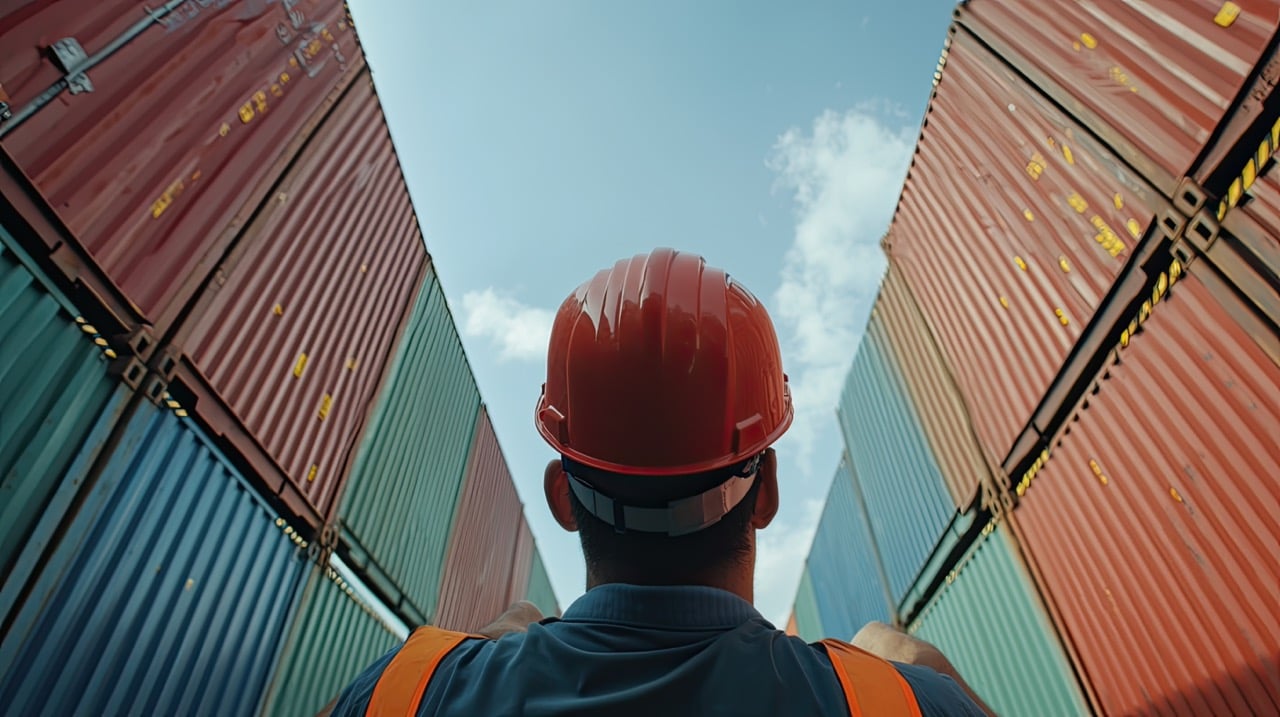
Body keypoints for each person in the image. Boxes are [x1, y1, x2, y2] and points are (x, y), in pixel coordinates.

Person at [328, 248, 992, 716]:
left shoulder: (405, 693)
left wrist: (478, 652)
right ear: (765, 494)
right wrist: (933, 678)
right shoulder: (897, 700)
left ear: (564, 497)